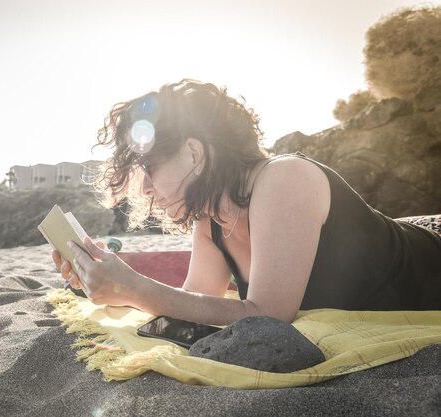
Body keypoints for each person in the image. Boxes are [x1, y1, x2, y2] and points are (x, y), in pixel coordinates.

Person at [51, 79, 441, 325]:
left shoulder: (284, 178)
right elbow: (193, 305)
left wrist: (135, 287)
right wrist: (104, 284)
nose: (147, 190)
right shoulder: (210, 224)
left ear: (193, 152)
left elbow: (268, 314)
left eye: (150, 170)